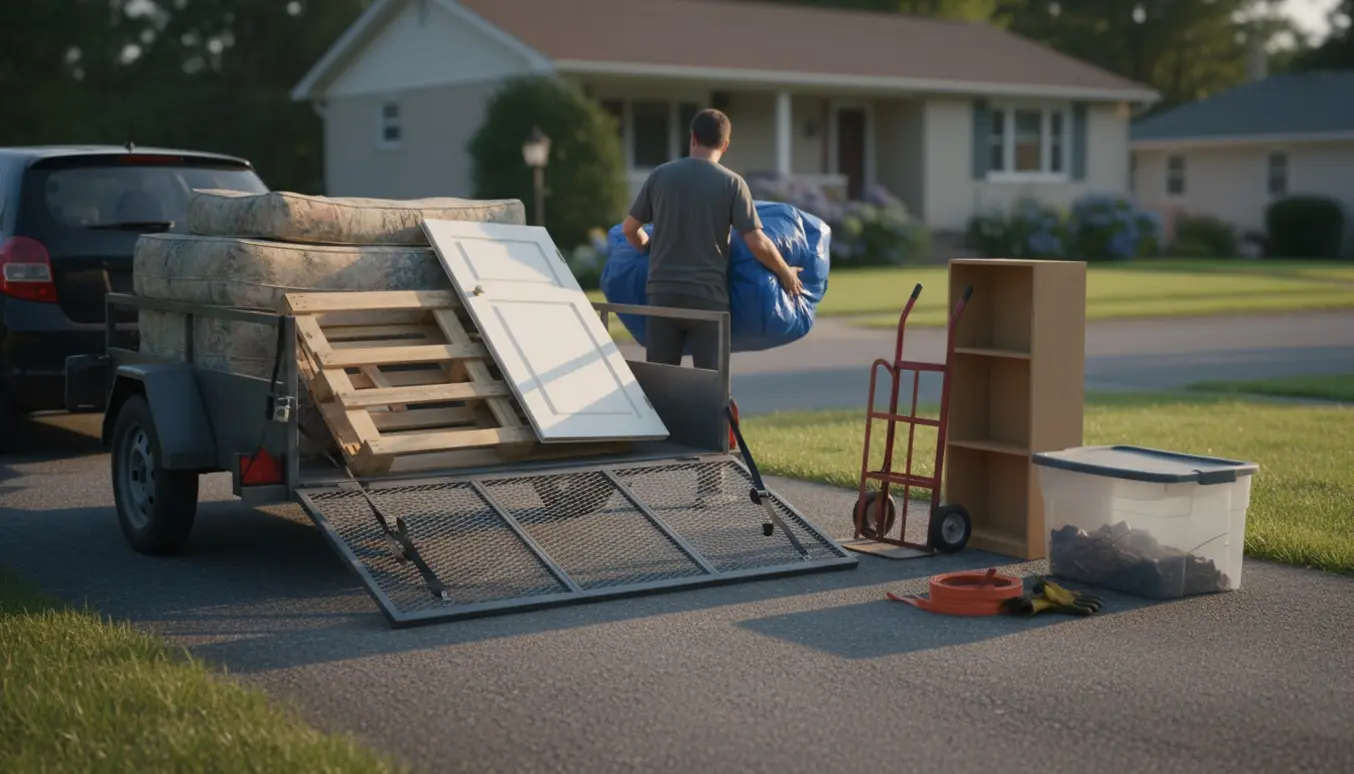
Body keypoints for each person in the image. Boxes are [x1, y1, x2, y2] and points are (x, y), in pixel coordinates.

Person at [621, 108, 803, 372]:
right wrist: (786, 273)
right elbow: (756, 242)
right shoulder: (732, 183)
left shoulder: (660, 175)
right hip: (708, 299)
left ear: (692, 137)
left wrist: (649, 248)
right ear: (725, 144)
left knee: (660, 383)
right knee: (711, 386)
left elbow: (630, 229)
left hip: (663, 295)